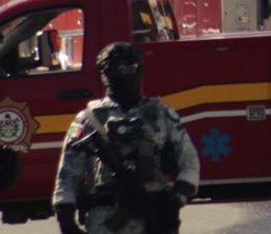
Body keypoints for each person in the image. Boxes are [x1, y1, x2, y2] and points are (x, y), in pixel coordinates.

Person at [53, 42, 199, 234]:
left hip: (153, 216)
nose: (122, 74)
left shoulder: (162, 115)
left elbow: (189, 162)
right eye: (114, 69)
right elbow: (68, 173)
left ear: (140, 70)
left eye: (128, 67)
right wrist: (65, 216)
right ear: (103, 74)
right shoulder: (88, 120)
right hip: (105, 219)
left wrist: (175, 201)